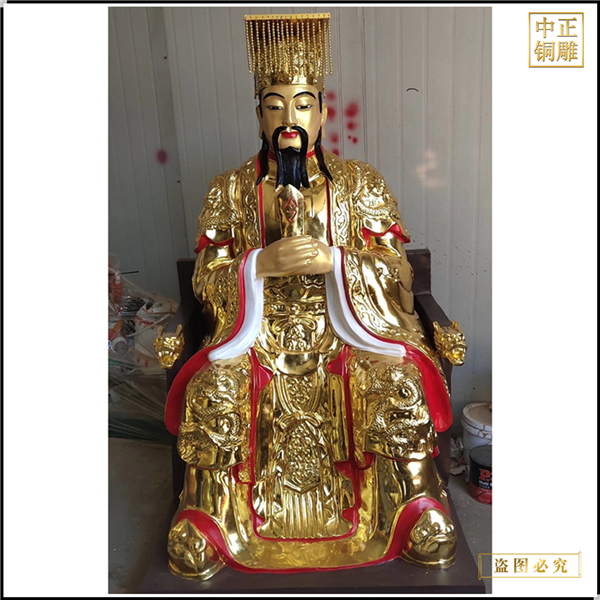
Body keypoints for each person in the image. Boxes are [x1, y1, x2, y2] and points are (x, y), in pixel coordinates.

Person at [159, 13, 462, 580]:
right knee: (214, 390)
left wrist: (338, 262)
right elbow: (206, 279)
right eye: (274, 106)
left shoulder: (361, 184)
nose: (289, 119)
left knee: (395, 384)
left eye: (302, 105)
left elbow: (396, 271)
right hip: (255, 335)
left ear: (322, 112)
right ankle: (209, 518)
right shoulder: (229, 191)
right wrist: (257, 265)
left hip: (348, 330)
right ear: (259, 116)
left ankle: (412, 508)